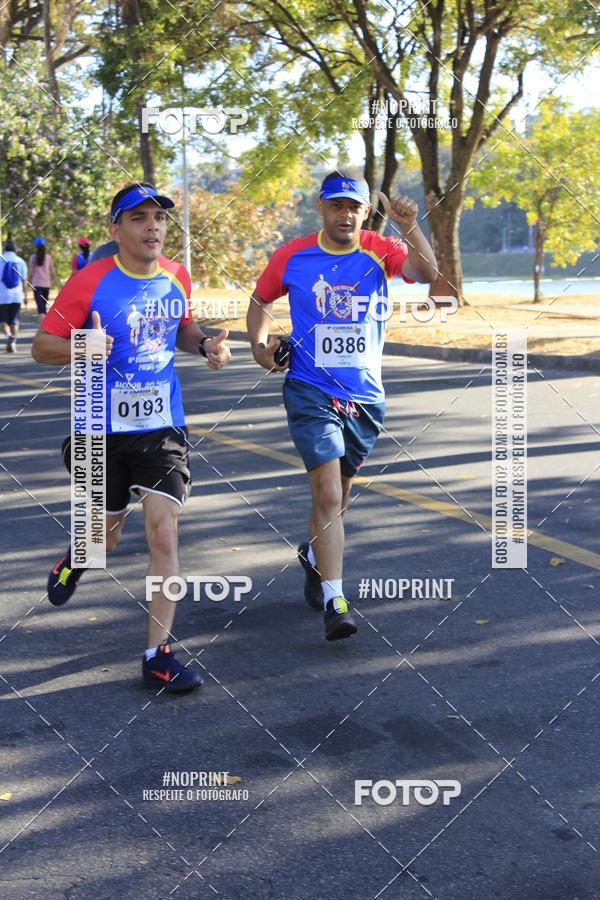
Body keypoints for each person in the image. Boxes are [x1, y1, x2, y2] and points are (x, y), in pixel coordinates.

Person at [32, 182, 231, 693]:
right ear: (115, 229)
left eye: (159, 218)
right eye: (139, 218)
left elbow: (181, 329)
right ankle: (80, 557)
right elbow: (41, 347)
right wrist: (86, 343)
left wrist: (205, 343)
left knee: (163, 534)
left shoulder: (177, 276)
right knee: (105, 535)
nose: (153, 227)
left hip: (162, 424)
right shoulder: (89, 282)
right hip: (99, 428)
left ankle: (158, 656)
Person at [247, 171, 437, 641]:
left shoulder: (379, 248)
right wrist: (257, 346)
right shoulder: (292, 255)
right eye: (336, 206)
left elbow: (430, 276)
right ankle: (336, 600)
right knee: (328, 494)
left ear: (363, 211)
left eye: (353, 206)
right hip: (310, 389)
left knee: (339, 498)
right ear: (321, 208)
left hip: (366, 397)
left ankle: (314, 558)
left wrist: (409, 226)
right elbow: (260, 298)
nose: (345, 214)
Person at [0, 239, 28, 352]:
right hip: (16, 296)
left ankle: (8, 337)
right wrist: (26, 296)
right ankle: (13, 343)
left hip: (2, 296)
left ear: (4, 249)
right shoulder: (20, 261)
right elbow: (24, 281)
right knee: (14, 321)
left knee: (3, 322)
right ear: (15, 249)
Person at [28, 237, 59, 315]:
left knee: (41, 310)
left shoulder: (32, 257)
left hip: (37, 285)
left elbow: (31, 273)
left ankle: (42, 327)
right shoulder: (48, 257)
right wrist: (58, 285)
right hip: (46, 286)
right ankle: (42, 327)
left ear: (35, 246)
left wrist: (27, 282)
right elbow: (53, 272)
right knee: (44, 309)